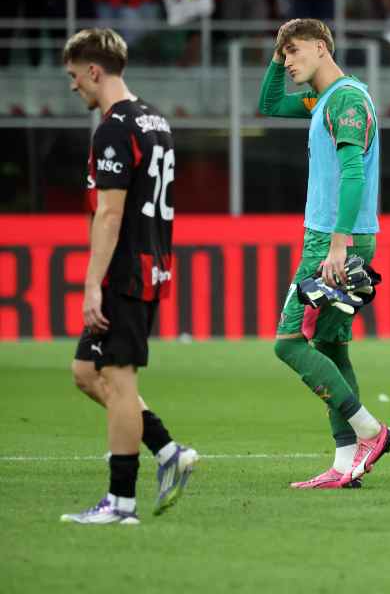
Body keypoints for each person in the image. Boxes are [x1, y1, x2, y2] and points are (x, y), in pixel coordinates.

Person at [60, 28, 197, 524]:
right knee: (85, 372)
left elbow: (110, 214)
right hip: (151, 260)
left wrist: (91, 283)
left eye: (75, 77)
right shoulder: (154, 119)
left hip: (126, 270)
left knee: (118, 380)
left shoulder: (115, 127)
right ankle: (165, 450)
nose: (73, 86)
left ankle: (120, 502)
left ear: (94, 70)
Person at [258, 18, 390, 489]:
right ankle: (344, 463)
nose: (289, 61)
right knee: (331, 347)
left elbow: (353, 172)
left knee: (288, 341)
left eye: (294, 51)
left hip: (335, 239)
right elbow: (270, 103)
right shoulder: (325, 99)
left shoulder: (346, 99)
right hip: (337, 235)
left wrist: (337, 244)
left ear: (321, 46)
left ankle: (369, 431)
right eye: (284, 55)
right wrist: (278, 56)